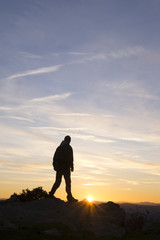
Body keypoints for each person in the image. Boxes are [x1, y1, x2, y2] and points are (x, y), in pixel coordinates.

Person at [49, 135, 78, 202]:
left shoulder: (60, 147)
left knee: (58, 182)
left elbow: (55, 157)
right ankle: (69, 197)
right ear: (68, 140)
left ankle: (51, 194)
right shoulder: (68, 147)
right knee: (67, 183)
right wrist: (72, 166)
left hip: (60, 167)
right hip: (65, 168)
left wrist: (55, 165)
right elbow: (71, 158)